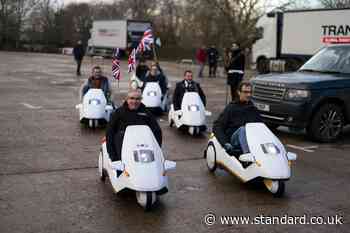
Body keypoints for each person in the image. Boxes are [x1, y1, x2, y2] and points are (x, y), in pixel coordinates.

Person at [106, 88, 162, 162]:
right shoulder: (118, 113)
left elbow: (157, 131)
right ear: (126, 99)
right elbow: (110, 132)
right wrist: (113, 156)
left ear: (141, 99)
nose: (134, 101)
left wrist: (156, 150)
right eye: (132, 98)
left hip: (142, 146)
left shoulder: (147, 113)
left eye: (137, 99)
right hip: (123, 146)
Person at [213, 82, 262, 156]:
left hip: (251, 140)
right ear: (239, 92)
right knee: (242, 129)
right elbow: (217, 126)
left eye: (250, 92)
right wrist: (225, 143)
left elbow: (261, 126)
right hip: (234, 140)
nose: (248, 95)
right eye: (245, 92)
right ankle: (247, 156)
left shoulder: (253, 109)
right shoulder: (231, 108)